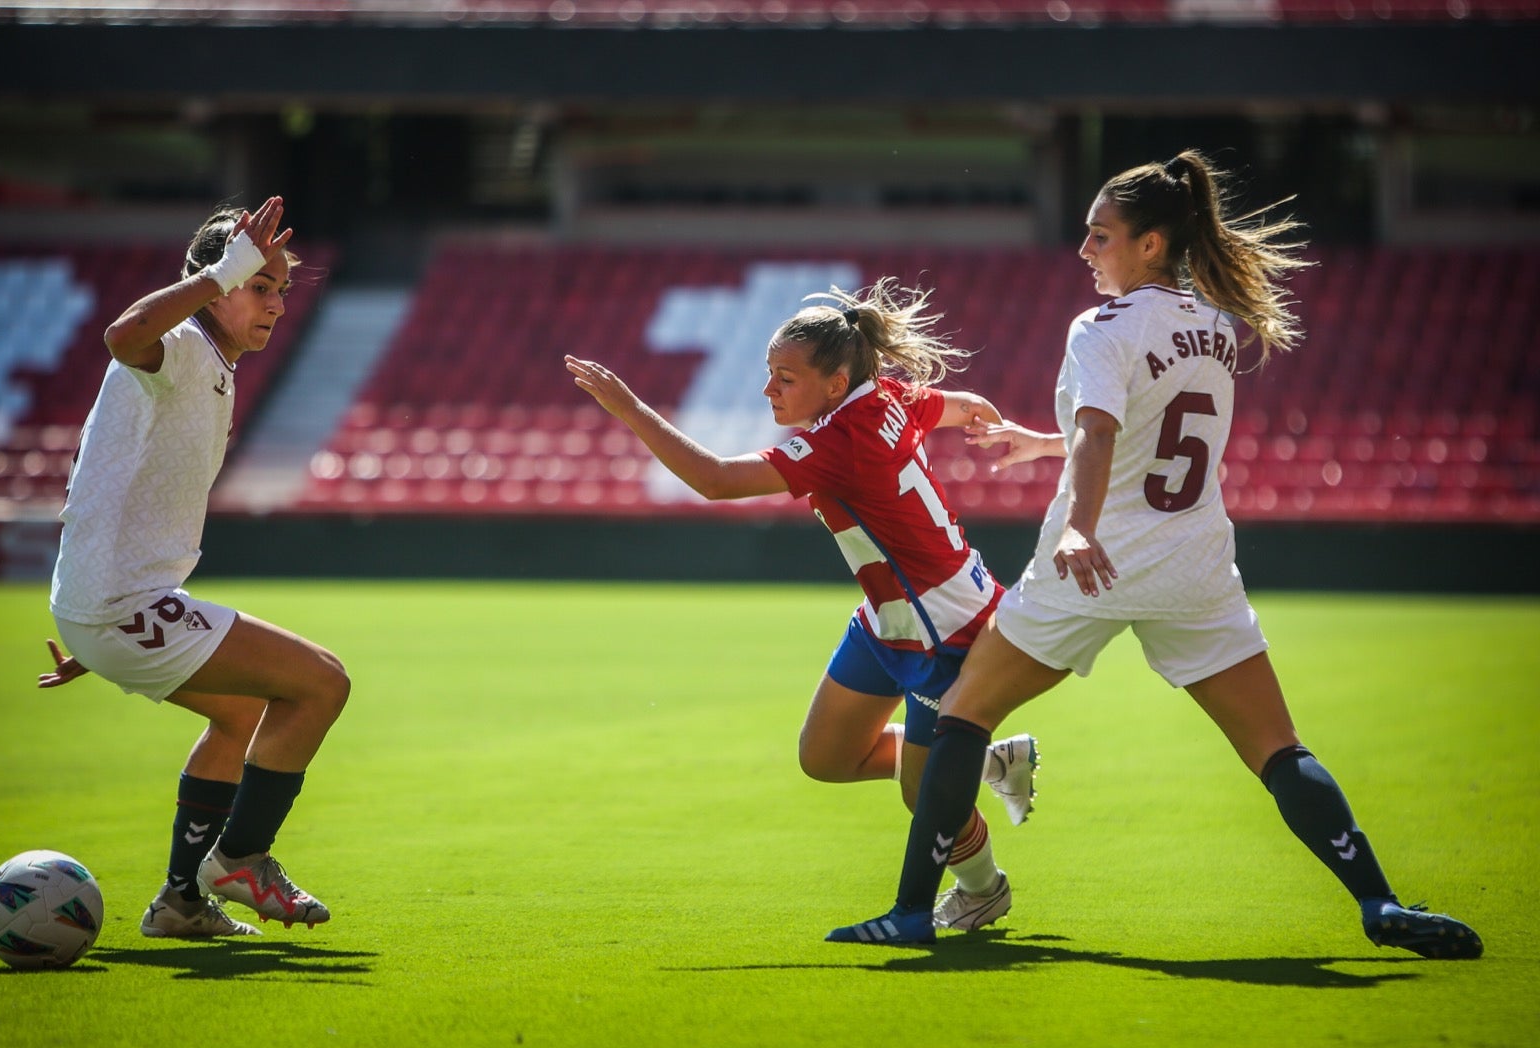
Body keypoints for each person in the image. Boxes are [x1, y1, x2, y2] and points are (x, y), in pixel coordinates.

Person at [827, 151, 1483, 959]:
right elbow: (1135, 428)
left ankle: (914, 911)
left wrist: (1079, 525)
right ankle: (1379, 903)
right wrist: (1046, 444)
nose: (1085, 252)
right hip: (1194, 567)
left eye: (1100, 237)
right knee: (1279, 749)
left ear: (1150, 244)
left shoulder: (1102, 327)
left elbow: (1104, 430)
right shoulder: (1214, 322)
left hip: (1093, 566)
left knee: (964, 715)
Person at [565, 278, 1039, 933]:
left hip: (942, 626)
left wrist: (629, 408)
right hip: (889, 618)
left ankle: (982, 891)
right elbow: (963, 405)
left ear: (837, 383)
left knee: (919, 793)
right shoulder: (887, 396)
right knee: (825, 757)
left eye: (784, 377)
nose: (769, 390)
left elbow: (716, 481)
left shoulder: (840, 441)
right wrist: (993, 423)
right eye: (769, 374)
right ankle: (987, 760)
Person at [39, 196, 346, 938]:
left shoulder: (213, 364)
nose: (275, 304)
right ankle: (240, 858)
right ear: (217, 278)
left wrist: (96, 635)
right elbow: (121, 334)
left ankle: (180, 903)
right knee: (321, 684)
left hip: (113, 606)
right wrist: (104, 622)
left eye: (279, 289)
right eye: (258, 285)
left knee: (239, 712)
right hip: (119, 605)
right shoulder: (179, 345)